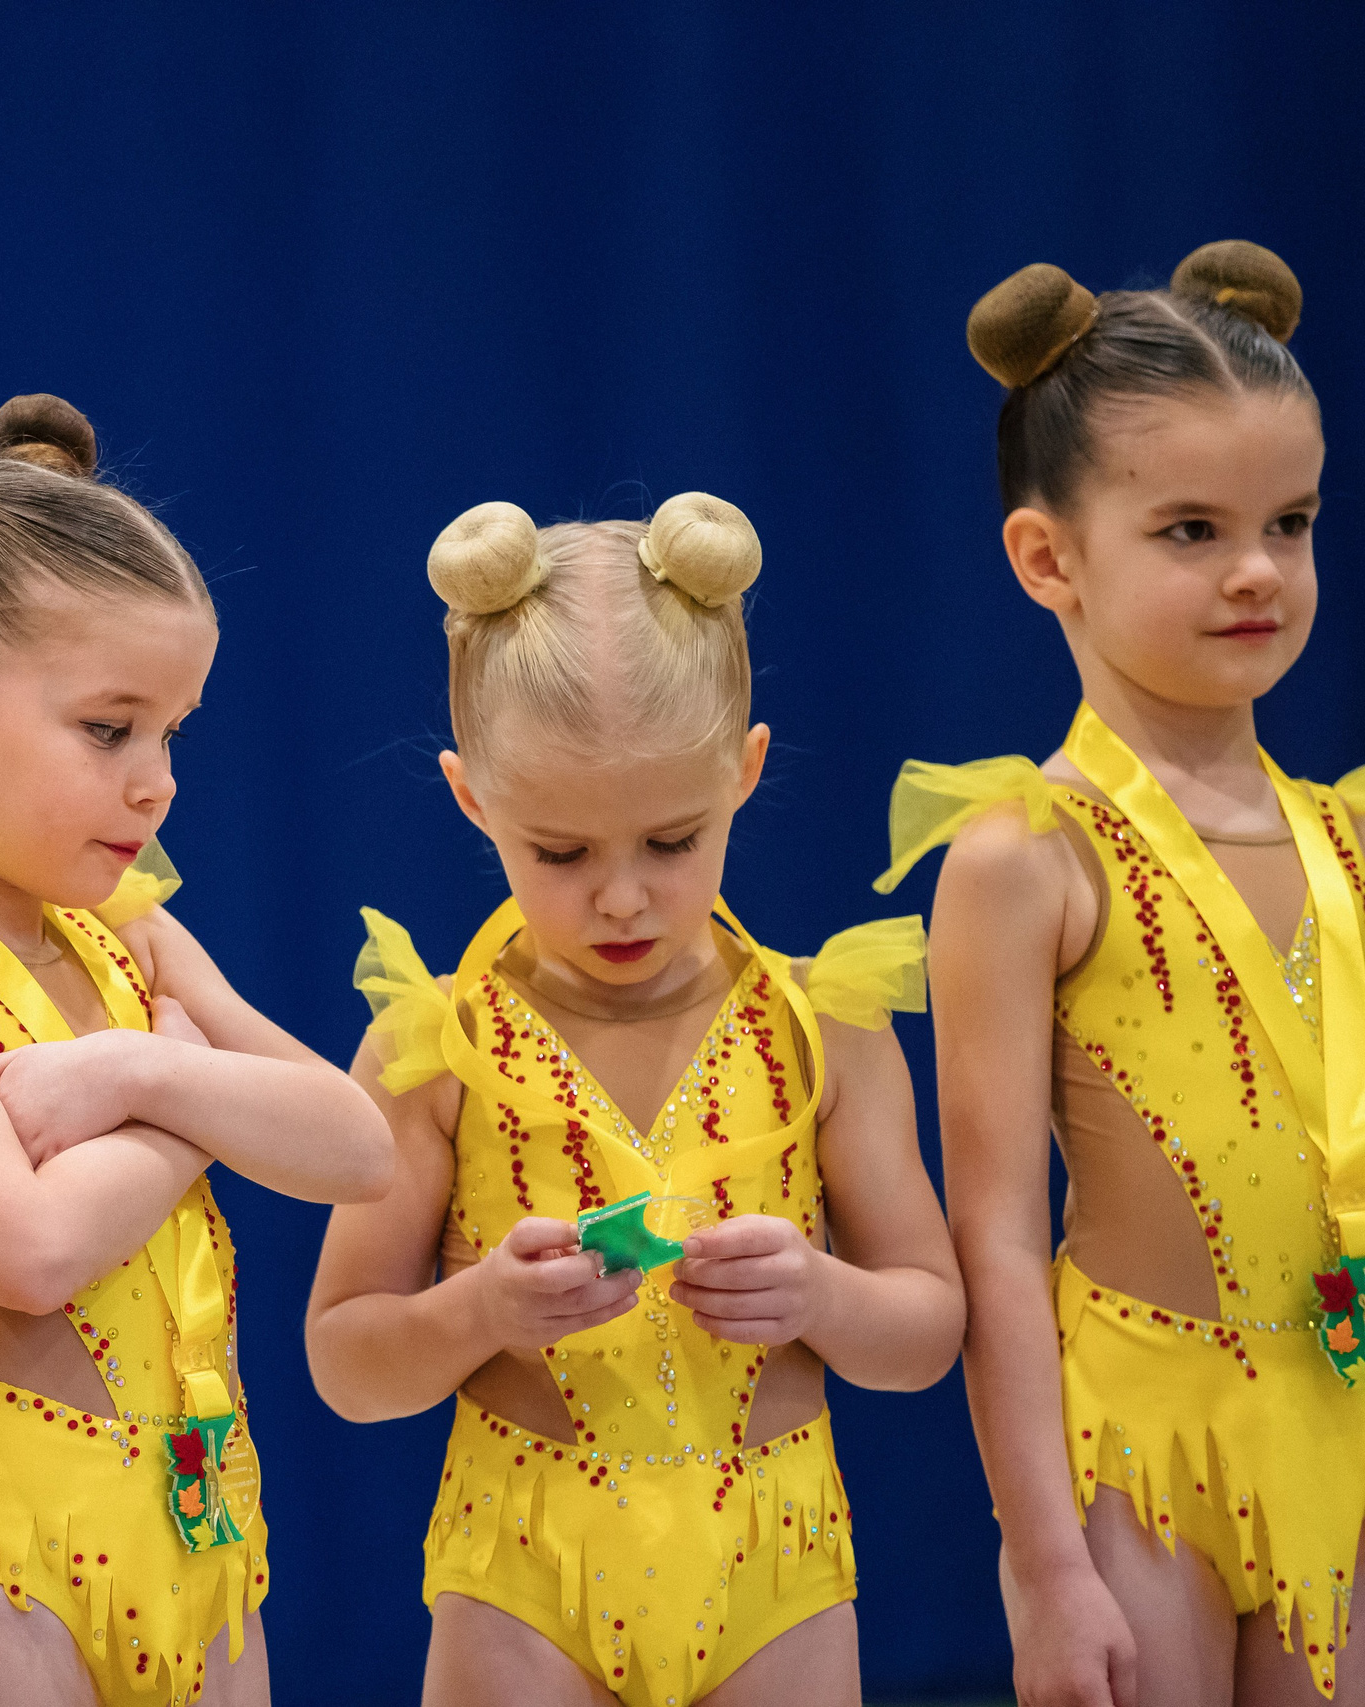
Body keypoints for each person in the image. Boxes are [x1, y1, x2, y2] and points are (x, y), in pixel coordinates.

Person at [0, 394, 393, 1705]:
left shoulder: (129, 933)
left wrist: (144, 1072)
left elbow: (357, 1140)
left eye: (173, 731)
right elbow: (31, 1249)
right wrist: (196, 1107)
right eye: (110, 728)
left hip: (202, 1532)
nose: (156, 780)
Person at [308, 493, 964, 1705]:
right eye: (560, 853)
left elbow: (925, 1331)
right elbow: (346, 1361)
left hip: (776, 1570)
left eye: (671, 841)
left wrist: (817, 1293)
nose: (621, 899)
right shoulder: (431, 1046)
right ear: (470, 800)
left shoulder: (827, 1025)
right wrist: (484, 1311)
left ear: (745, 770)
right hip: (522, 1577)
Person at [879, 239, 1361, 1706]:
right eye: (1193, 530)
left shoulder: (1347, 832)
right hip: (1137, 1435)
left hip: (1335, 1406)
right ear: (1050, 558)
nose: (1259, 571)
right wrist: (1044, 1557)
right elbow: (999, 1232)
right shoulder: (1027, 853)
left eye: (1292, 520)